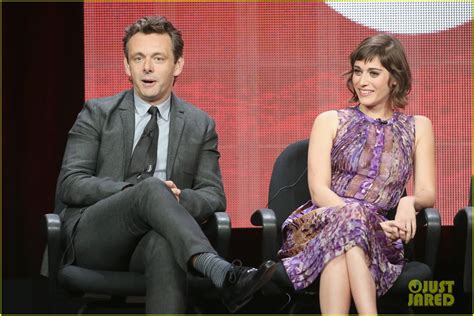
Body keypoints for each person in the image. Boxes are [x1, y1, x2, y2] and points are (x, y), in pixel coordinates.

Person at [54, 16, 275, 314]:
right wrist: (137, 191)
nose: (147, 67)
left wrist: (177, 198)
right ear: (126, 66)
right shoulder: (97, 113)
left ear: (178, 65)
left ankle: (213, 268)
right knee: (149, 189)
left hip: (155, 239)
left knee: (164, 243)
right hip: (96, 239)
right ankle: (218, 270)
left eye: (158, 58)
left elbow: (213, 195)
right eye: (138, 58)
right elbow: (71, 184)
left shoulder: (199, 124)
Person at [268, 34, 436, 314]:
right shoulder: (329, 121)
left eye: (373, 73)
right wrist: (365, 221)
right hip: (319, 224)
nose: (362, 81)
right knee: (350, 225)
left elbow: (427, 192)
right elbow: (319, 191)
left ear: (394, 79)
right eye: (358, 72)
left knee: (346, 243)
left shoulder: (418, 127)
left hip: (378, 236)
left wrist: (409, 202)